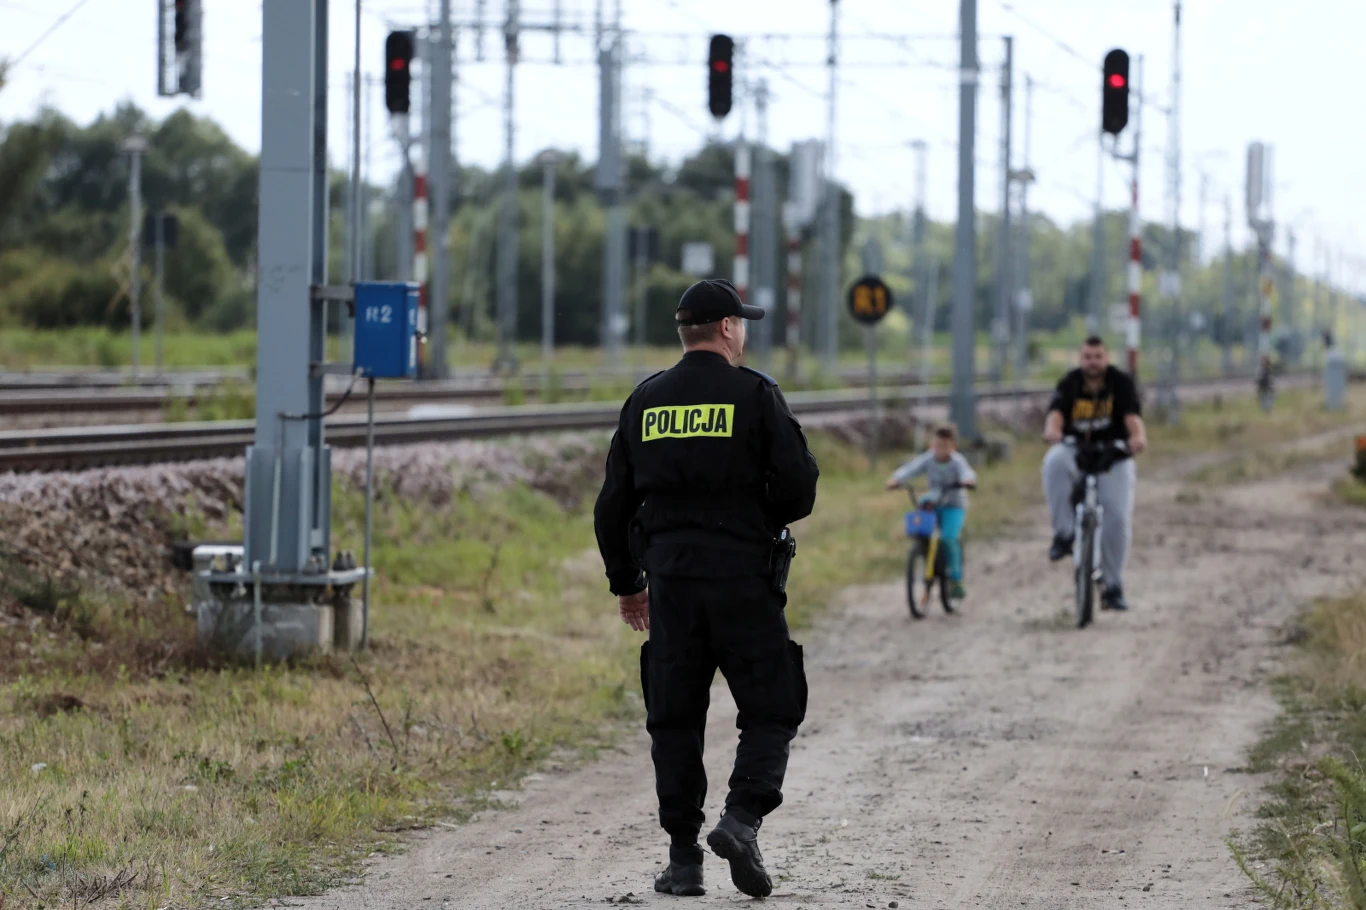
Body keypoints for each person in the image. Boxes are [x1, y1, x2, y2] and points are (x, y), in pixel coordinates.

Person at [593, 278, 820, 899]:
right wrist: (754, 515)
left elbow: (613, 505)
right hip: (744, 580)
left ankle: (683, 859)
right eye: (741, 323)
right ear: (726, 328)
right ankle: (741, 819)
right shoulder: (755, 394)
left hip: (671, 586)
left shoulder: (645, 401)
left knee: (674, 719)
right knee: (772, 706)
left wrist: (627, 584)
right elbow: (799, 488)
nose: (743, 333)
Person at [1041, 336, 1148, 611]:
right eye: (1088, 357)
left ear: (1106, 358)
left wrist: (1137, 437)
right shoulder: (1070, 382)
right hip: (1077, 449)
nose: (1093, 363)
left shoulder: (1120, 382)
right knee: (1054, 462)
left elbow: (1132, 417)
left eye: (1098, 357)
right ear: (1081, 359)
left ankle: (1113, 586)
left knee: (1117, 518)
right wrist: (1052, 430)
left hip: (1114, 454)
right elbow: (1056, 413)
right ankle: (1064, 533)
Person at [884, 425, 977, 598]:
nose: (941, 450)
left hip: (954, 505)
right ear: (932, 444)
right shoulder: (928, 459)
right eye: (938, 445)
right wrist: (896, 479)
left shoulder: (957, 462)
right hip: (934, 502)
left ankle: (955, 579)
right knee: (921, 525)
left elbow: (967, 472)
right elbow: (910, 469)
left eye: (945, 446)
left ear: (953, 446)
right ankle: (925, 555)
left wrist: (968, 480)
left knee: (949, 537)